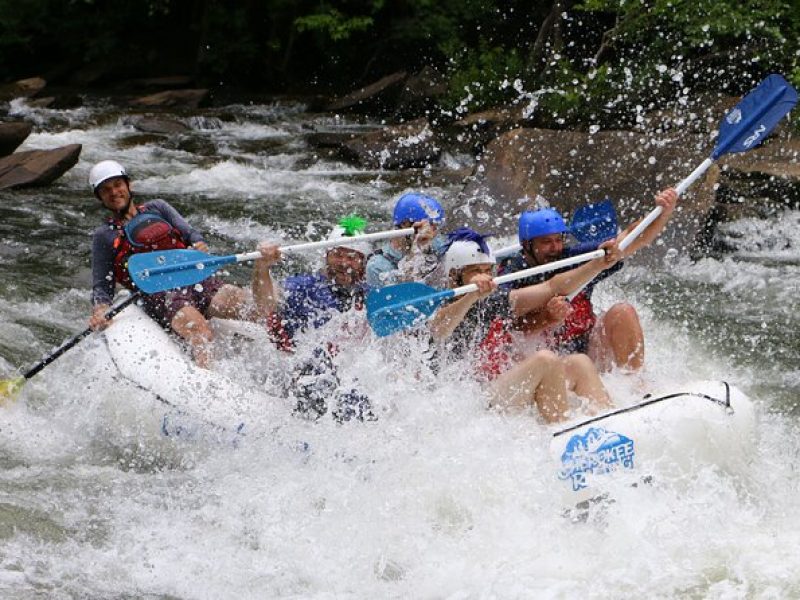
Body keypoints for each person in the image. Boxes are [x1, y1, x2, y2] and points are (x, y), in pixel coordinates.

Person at [87, 160, 278, 368]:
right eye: (106, 190)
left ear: (128, 185)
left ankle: (262, 267)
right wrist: (100, 310)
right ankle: (209, 388)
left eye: (117, 185)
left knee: (250, 308)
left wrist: (198, 244)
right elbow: (102, 284)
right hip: (159, 294)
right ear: (100, 198)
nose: (114, 192)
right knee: (201, 332)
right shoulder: (104, 235)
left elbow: (191, 235)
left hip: (196, 279)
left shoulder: (158, 208)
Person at [429, 228, 621, 424]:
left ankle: (611, 424)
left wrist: (597, 265)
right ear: (455, 276)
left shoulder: (494, 300)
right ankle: (565, 432)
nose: (484, 277)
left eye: (487, 271)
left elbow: (551, 287)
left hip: (507, 388)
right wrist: (470, 296)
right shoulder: (439, 307)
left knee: (578, 362)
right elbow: (439, 329)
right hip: (475, 403)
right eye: (476, 271)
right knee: (545, 360)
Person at [498, 188, 678, 372]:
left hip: (586, 348)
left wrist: (663, 212)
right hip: (542, 361)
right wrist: (546, 318)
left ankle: (636, 386)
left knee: (622, 312)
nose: (555, 248)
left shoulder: (570, 257)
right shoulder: (512, 272)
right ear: (527, 245)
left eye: (558, 240)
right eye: (546, 242)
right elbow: (510, 333)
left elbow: (631, 239)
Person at [258, 222, 375, 422]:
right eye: (337, 254)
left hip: (347, 372)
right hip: (302, 370)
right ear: (326, 257)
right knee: (320, 366)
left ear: (363, 263)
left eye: (352, 257)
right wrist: (262, 267)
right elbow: (266, 304)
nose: (344, 262)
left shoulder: (370, 296)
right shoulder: (303, 287)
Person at [366, 192, 449, 288]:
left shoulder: (438, 243)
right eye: (424, 227)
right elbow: (406, 294)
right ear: (404, 224)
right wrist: (417, 248)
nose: (432, 234)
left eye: (435, 228)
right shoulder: (377, 266)